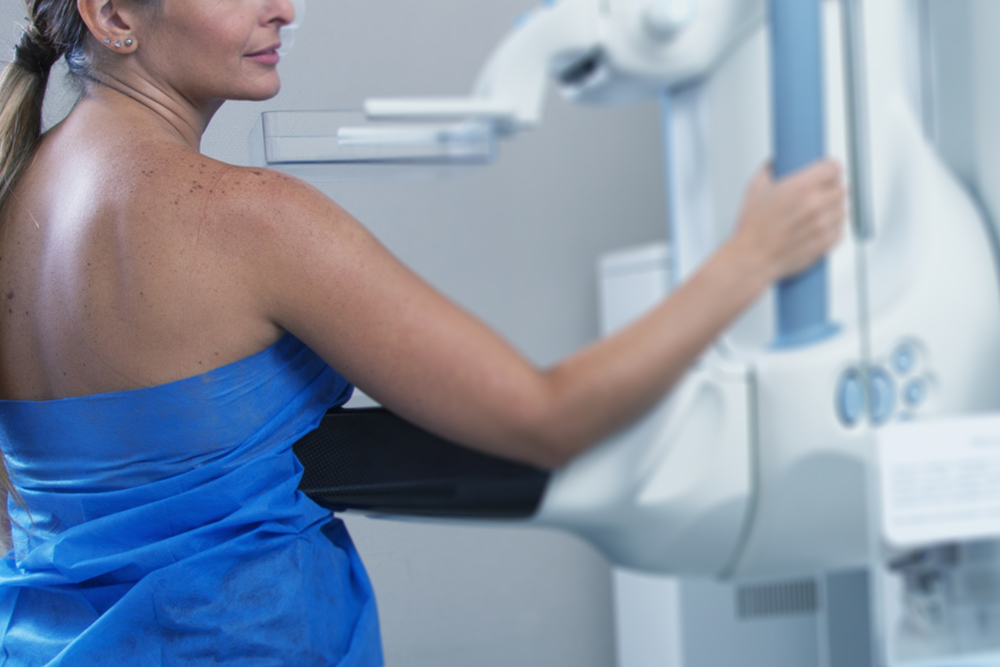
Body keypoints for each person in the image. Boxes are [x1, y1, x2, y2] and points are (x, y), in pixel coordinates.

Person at [0, 0, 845, 664]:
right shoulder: (250, 221)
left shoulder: (16, 203)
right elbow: (544, 418)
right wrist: (751, 256)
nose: (287, 8)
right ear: (112, 17)